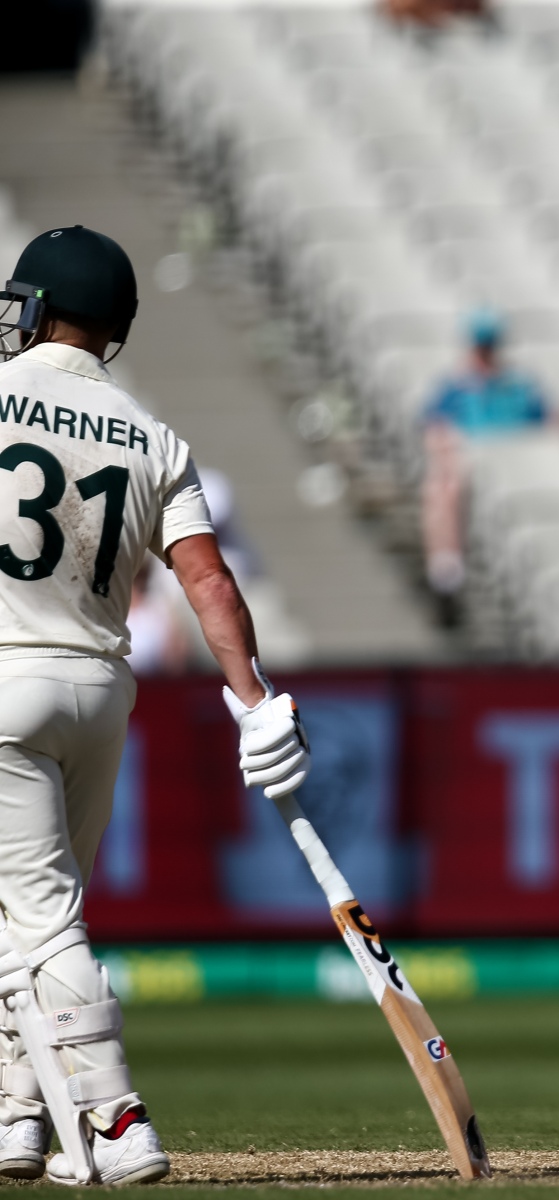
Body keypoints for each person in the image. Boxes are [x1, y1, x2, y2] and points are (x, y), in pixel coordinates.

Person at [0, 226, 309, 1183]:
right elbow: (208, 581)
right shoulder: (152, 435)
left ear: (38, 307)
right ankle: (18, 1116)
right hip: (99, 692)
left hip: (4, 682)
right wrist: (255, 701)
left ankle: (119, 1118)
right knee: (32, 916)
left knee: (40, 919)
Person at [420, 309, 548, 619]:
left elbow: (543, 425)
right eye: (481, 345)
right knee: (444, 482)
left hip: (518, 467)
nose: (485, 352)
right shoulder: (455, 388)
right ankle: (446, 571)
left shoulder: (520, 387)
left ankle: (448, 571)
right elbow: (434, 429)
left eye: (490, 345)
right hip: (473, 468)